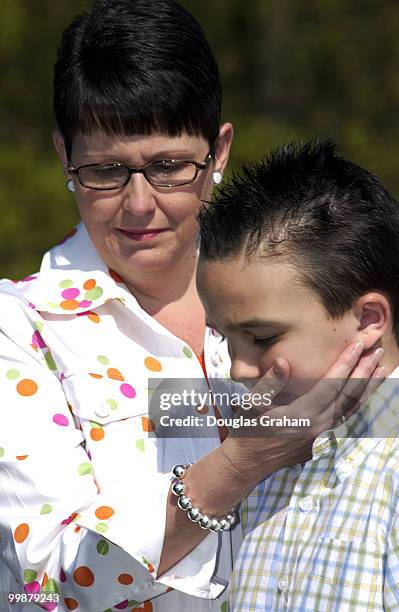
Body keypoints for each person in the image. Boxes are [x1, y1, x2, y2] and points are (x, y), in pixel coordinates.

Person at [0, 1, 381, 609]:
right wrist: (244, 460)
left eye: (169, 167)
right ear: (63, 158)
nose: (138, 204)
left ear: (219, 151)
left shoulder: (299, 287)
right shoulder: (23, 329)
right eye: (104, 171)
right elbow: (44, 580)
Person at [197, 138, 399, 611]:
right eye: (225, 339)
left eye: (264, 338)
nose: (239, 368)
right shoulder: (268, 458)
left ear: (369, 320)